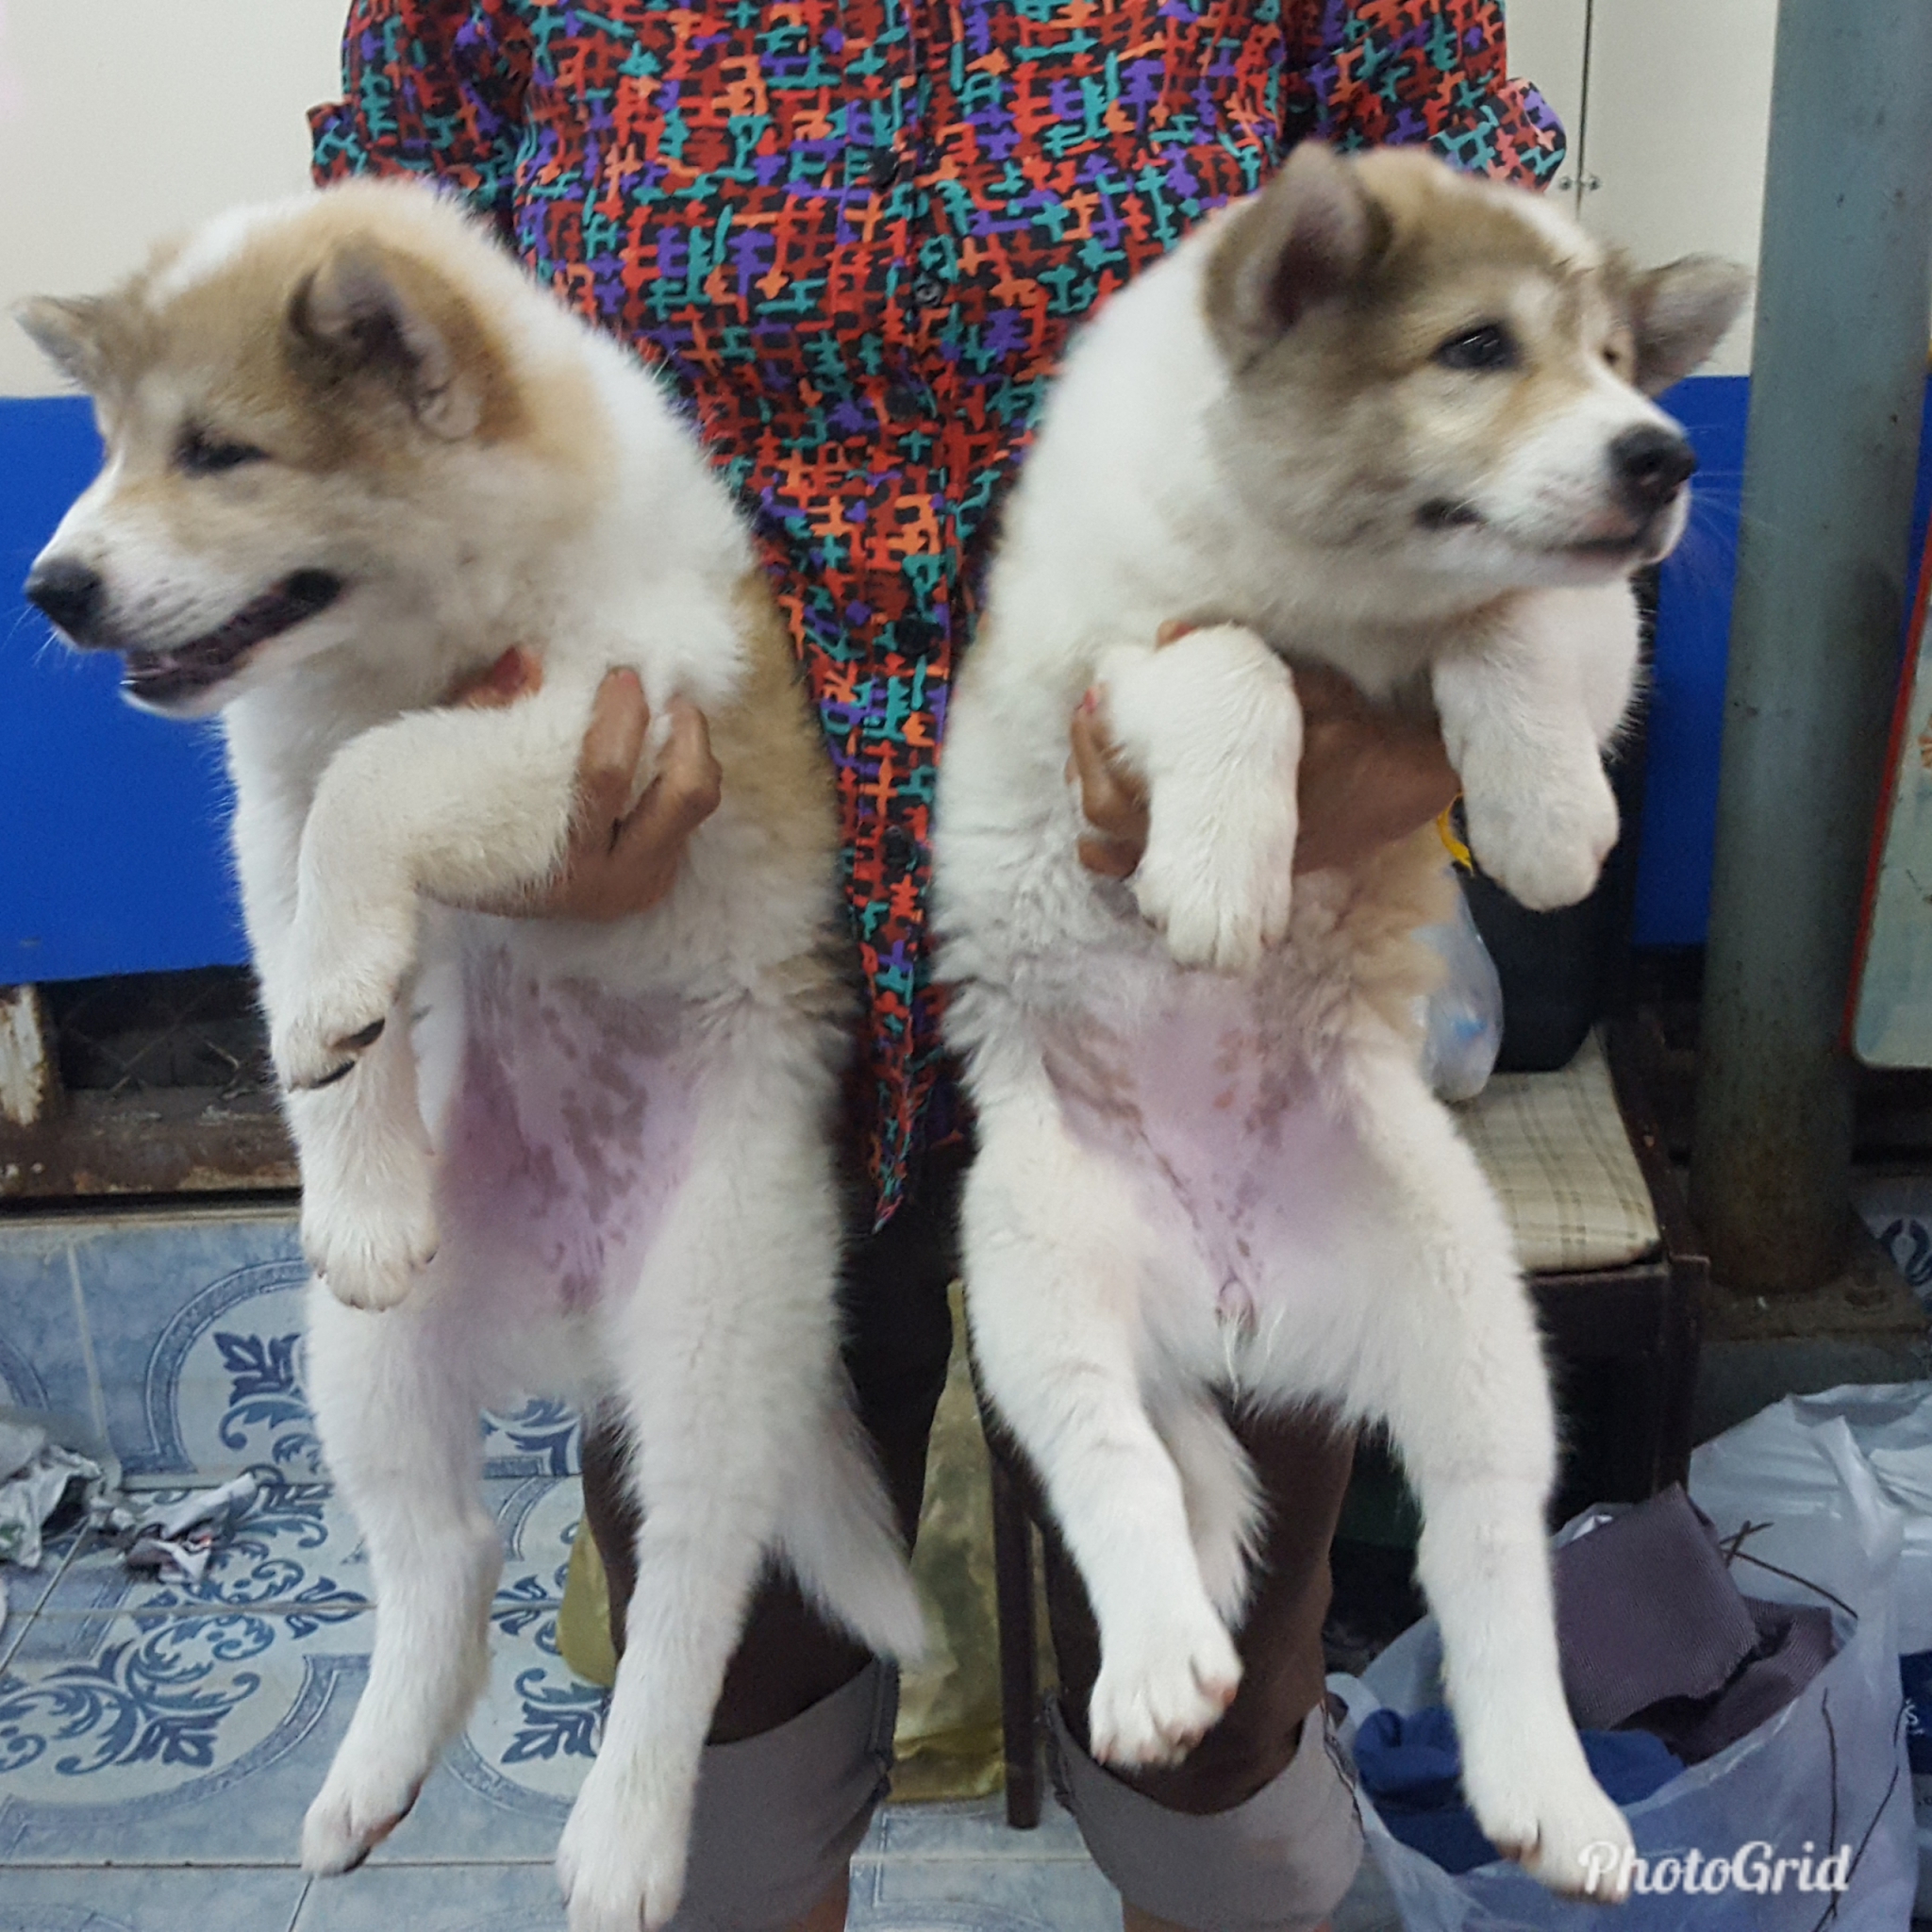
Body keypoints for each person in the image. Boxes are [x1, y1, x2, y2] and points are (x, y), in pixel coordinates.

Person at [311, 8, 1563, 1928]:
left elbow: (1525, 347)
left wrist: (1402, 746)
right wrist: (480, 750)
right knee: (724, 1661)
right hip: (704, 963)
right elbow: (363, 375)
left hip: (1197, 955)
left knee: (1214, 1688)